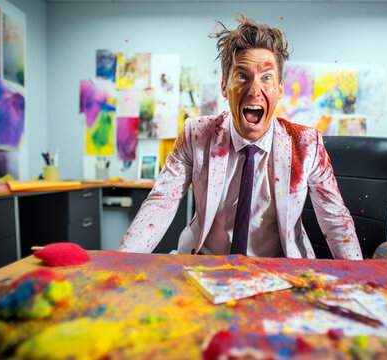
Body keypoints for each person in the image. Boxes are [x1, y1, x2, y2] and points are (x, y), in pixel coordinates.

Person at [118, 16, 362, 260]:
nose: (254, 90)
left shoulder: (306, 144)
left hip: (280, 271)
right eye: (242, 76)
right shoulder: (196, 134)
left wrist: (359, 280)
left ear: (279, 88)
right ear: (224, 87)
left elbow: (336, 219)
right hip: (206, 263)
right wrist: (120, 264)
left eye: (266, 77)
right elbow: (160, 203)